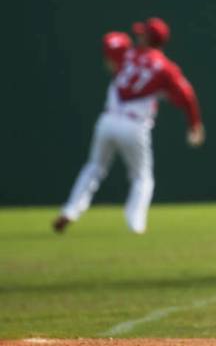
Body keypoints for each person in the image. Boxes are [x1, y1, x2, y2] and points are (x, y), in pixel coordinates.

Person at [54, 18, 204, 235]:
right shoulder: (166, 68)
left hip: (107, 120)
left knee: (94, 167)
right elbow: (187, 96)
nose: (138, 36)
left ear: (149, 38)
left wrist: (120, 54)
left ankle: (70, 210)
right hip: (134, 125)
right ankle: (135, 225)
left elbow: (110, 45)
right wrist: (194, 124)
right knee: (142, 177)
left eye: (142, 34)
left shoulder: (127, 54)